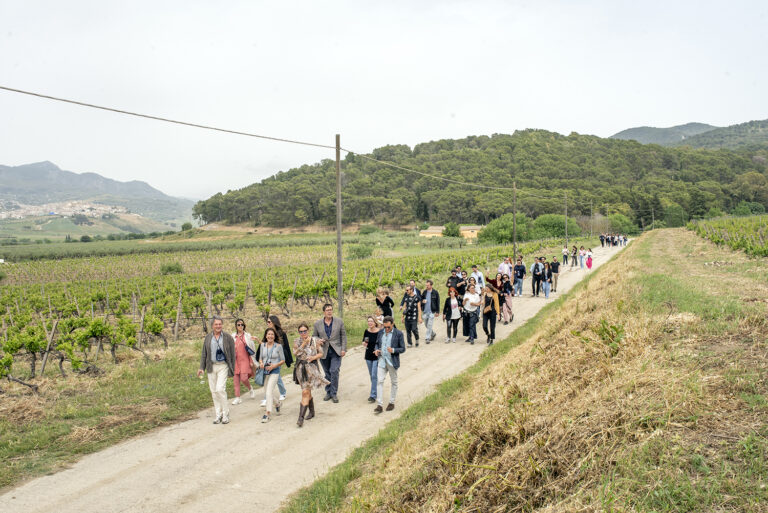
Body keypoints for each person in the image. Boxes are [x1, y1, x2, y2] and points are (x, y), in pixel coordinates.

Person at [197, 316, 235, 424]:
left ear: (222, 325)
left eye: (220, 324)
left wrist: (232, 370)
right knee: (213, 391)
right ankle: (218, 415)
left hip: (223, 366)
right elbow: (204, 354)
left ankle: (226, 414)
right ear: (212, 326)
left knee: (220, 389)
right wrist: (201, 368)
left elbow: (233, 354)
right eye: (216, 324)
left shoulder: (228, 337)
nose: (218, 326)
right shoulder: (208, 337)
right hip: (211, 366)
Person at [293, 322, 329, 427]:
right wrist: (303, 344)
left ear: (308, 331)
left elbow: (321, 353)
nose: (303, 333)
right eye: (301, 331)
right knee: (307, 391)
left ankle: (300, 419)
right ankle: (312, 412)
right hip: (301, 369)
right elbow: (296, 353)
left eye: (305, 331)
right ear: (299, 332)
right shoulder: (296, 341)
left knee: (305, 392)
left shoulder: (315, 341)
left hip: (312, 369)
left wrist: (313, 357)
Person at [312, 303, 347, 403]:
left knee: (334, 370)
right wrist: (319, 340)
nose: (329, 311)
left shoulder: (339, 321)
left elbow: (343, 336)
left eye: (331, 309)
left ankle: (334, 393)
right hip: (324, 351)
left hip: (336, 350)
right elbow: (314, 336)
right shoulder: (317, 324)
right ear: (324, 312)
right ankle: (328, 391)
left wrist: (343, 349)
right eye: (327, 310)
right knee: (327, 372)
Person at [373, 316, 406, 413]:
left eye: (388, 327)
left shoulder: (398, 333)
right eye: (385, 327)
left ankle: (391, 402)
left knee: (394, 382)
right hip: (382, 360)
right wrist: (376, 350)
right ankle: (379, 405)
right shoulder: (380, 332)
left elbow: (403, 348)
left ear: (392, 324)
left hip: (392, 361)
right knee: (379, 381)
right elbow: (377, 343)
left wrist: (394, 350)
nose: (387, 329)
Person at [259, 327, 286, 423]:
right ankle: (277, 404)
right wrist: (261, 363)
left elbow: (283, 360)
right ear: (266, 336)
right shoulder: (263, 346)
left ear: (274, 336)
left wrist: (274, 365)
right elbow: (260, 358)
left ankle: (267, 413)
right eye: (268, 334)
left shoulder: (278, 346)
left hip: (274, 372)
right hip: (265, 372)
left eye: (272, 334)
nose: (270, 336)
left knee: (269, 392)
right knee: (267, 391)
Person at [266, 315, 293, 403]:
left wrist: (289, 359)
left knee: (276, 375)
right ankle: (275, 392)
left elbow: (287, 346)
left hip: (279, 357)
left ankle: (282, 392)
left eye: (269, 322)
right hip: (270, 356)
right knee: (272, 375)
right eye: (267, 322)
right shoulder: (268, 332)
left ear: (274, 322)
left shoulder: (282, 333)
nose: (267, 323)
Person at [231, 318, 256, 405]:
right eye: (238, 325)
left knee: (244, 378)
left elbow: (252, 348)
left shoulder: (247, 335)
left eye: (242, 324)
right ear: (236, 326)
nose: (240, 326)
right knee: (236, 379)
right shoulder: (233, 336)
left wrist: (252, 360)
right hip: (235, 360)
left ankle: (250, 388)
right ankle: (237, 397)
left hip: (245, 359)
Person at [362, 316, 381, 403]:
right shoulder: (366, 331)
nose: (369, 323)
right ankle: (376, 389)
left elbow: (381, 343)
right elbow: (365, 341)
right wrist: (364, 343)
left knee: (374, 375)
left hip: (377, 355)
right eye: (368, 321)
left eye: (371, 321)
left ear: (375, 322)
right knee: (372, 375)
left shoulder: (379, 332)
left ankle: (373, 395)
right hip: (368, 355)